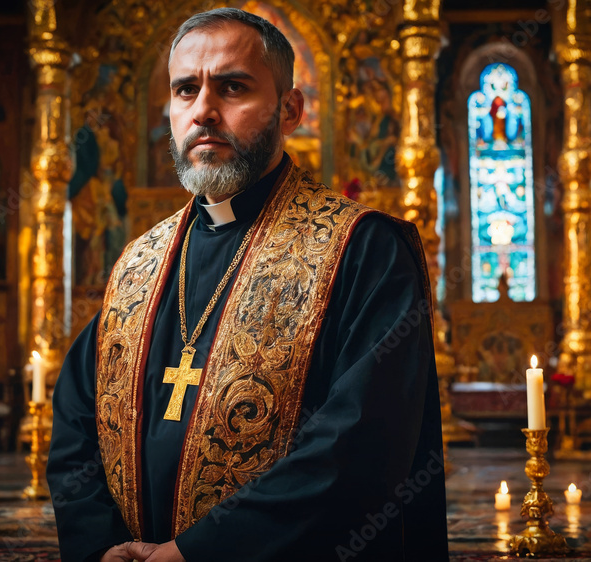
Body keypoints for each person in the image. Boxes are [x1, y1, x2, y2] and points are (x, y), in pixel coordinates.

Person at [47, 8, 447, 562]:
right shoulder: (141, 260)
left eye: (232, 87)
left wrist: (196, 554)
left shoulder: (363, 251)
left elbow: (359, 446)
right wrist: (102, 547)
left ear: (290, 109)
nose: (204, 111)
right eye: (185, 90)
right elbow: (74, 423)